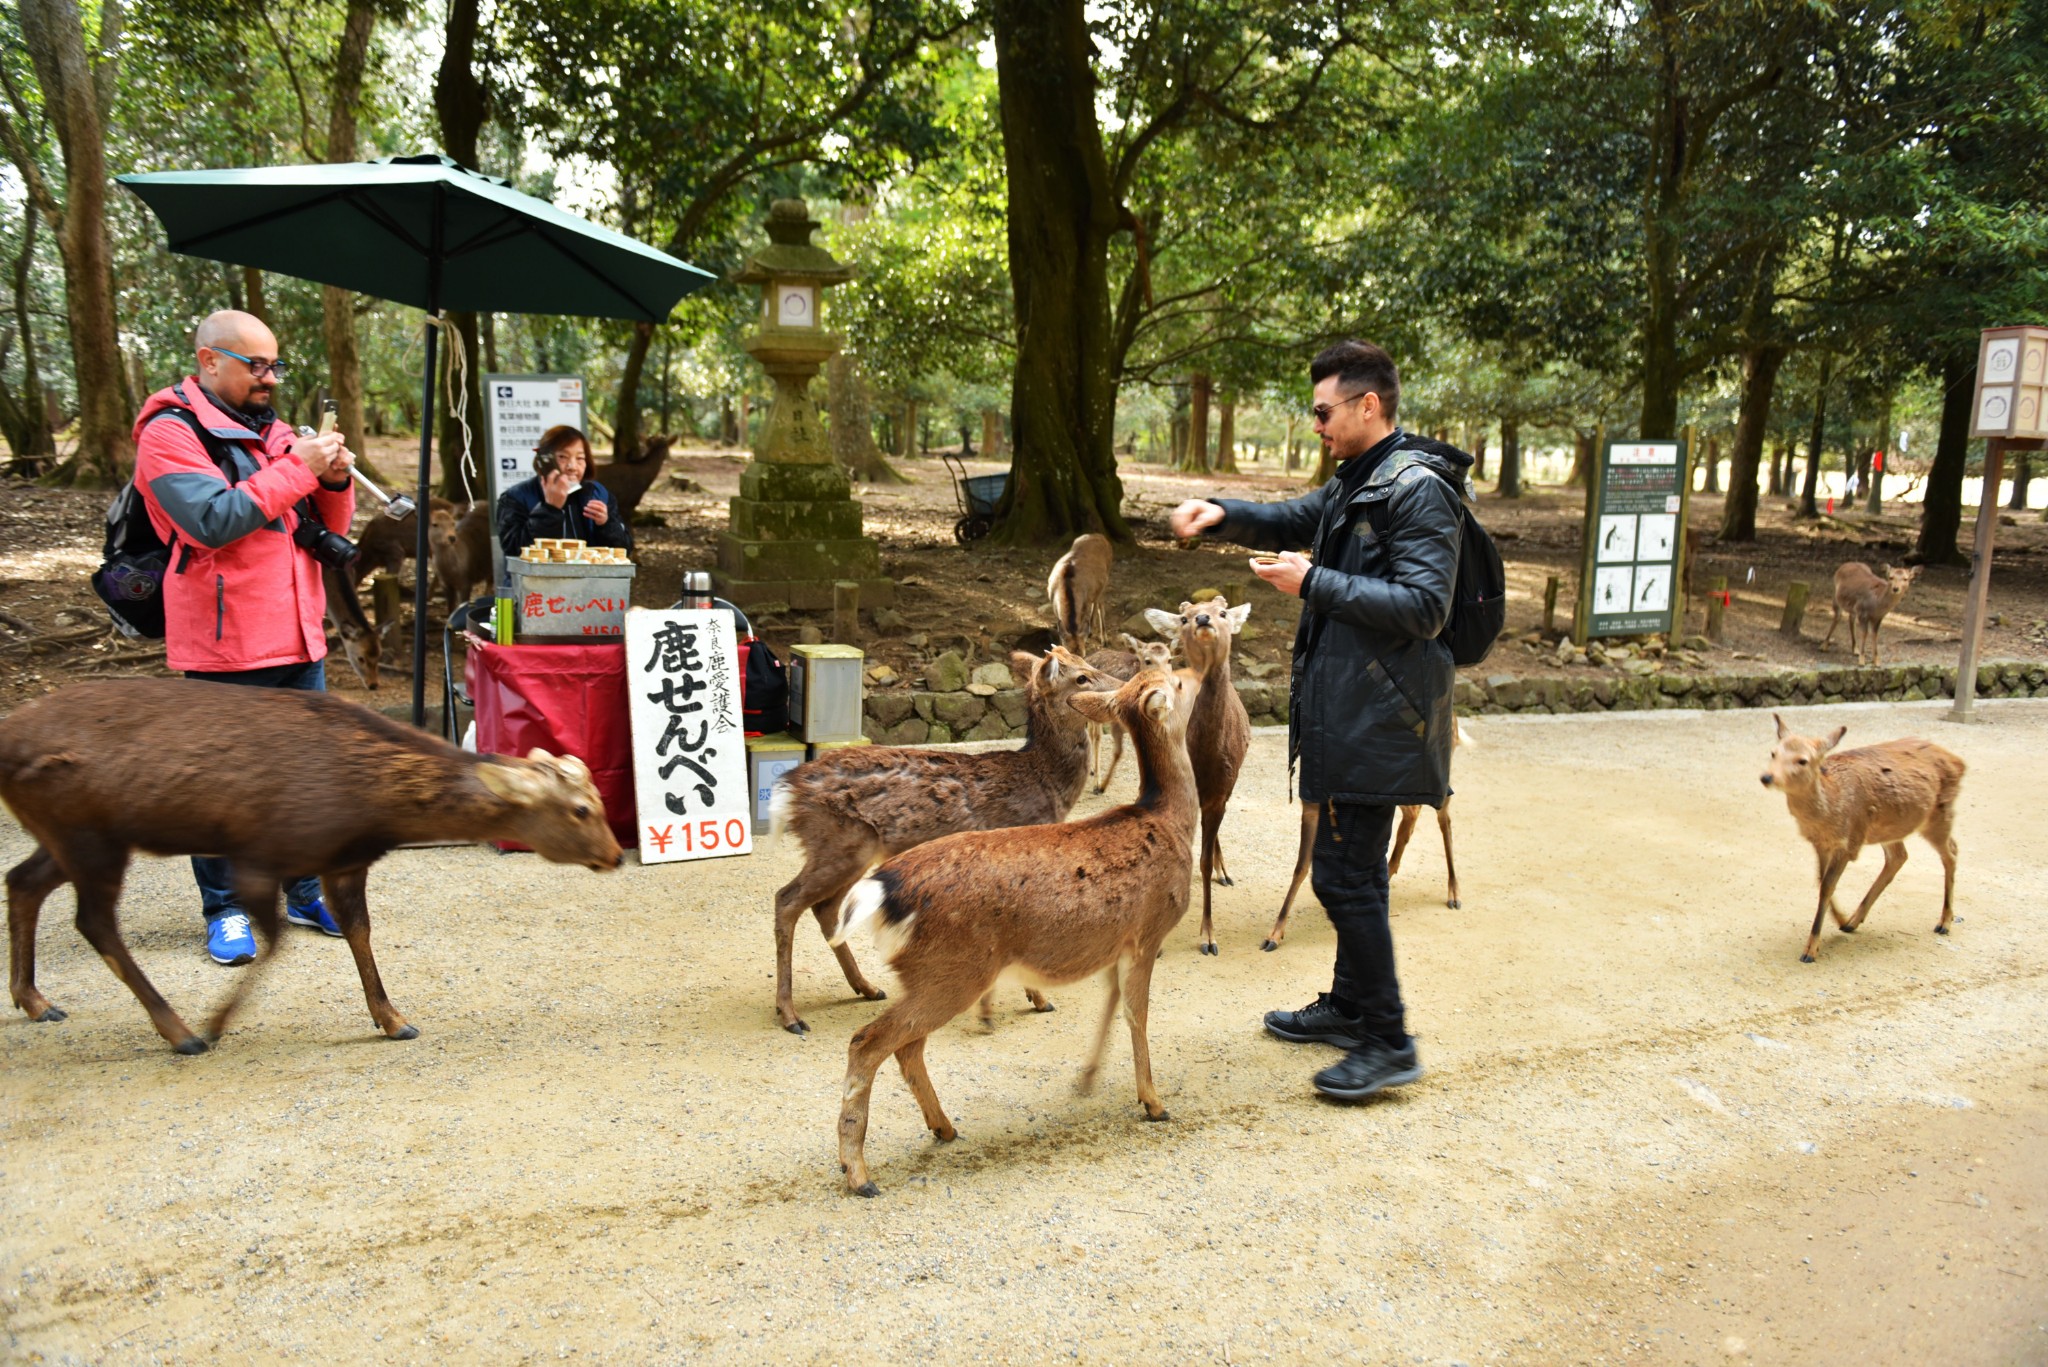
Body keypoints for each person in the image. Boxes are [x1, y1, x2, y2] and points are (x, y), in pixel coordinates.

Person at [1168, 340, 1470, 1102]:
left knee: (1342, 875)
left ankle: (1389, 1037)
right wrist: (1223, 514)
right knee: (1356, 865)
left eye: (1324, 411)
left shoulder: (1418, 489)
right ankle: (1349, 1004)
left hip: (1387, 716)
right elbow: (1295, 515)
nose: (1317, 426)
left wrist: (1315, 582)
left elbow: (1427, 608)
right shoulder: (1356, 480)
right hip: (1353, 710)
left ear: (1369, 406)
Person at [132, 309, 358, 966]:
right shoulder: (169, 433)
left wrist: (335, 478)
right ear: (208, 360)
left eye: (275, 365)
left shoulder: (278, 431)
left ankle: (304, 890)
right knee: (221, 782)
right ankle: (226, 908)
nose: (269, 378)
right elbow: (210, 520)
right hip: (225, 640)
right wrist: (299, 469)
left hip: (298, 634)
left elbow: (317, 521)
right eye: (254, 365)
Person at [496, 425, 633, 558]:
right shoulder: (515, 497)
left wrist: (606, 524)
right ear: (545, 461)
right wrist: (550, 509)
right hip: (536, 581)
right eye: (562, 457)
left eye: (580, 458)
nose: (572, 467)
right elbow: (513, 550)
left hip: (589, 580)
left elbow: (624, 550)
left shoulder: (598, 494)